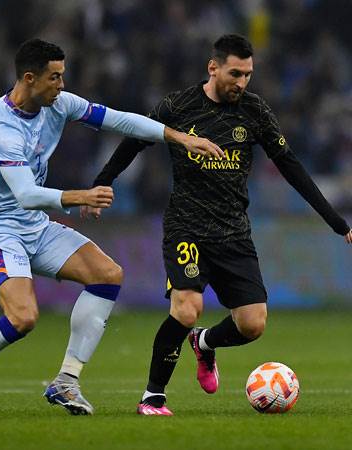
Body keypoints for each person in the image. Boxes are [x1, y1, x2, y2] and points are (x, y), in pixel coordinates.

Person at [0, 38, 223, 417]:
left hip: (34, 224)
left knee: (108, 275)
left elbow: (118, 119)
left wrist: (178, 137)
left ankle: (67, 380)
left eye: (62, 76)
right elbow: (26, 194)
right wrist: (80, 196)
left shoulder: (58, 104)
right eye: (55, 77)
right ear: (30, 79)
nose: (62, 85)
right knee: (23, 317)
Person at [86, 34, 352, 416]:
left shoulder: (255, 111)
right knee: (187, 306)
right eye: (235, 73)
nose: (241, 83)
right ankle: (153, 396)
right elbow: (134, 141)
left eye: (248, 75)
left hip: (233, 233)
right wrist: (103, 181)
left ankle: (205, 343)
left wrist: (335, 221)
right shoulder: (177, 106)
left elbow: (290, 166)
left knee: (253, 323)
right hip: (186, 227)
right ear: (213, 68)